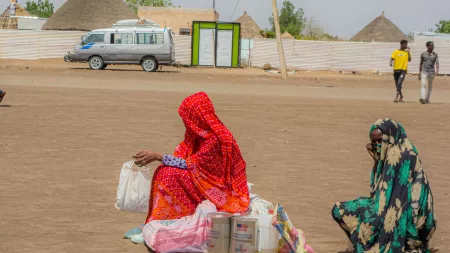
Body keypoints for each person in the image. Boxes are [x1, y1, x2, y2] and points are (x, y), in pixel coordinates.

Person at [133, 92, 250, 223]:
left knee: (168, 174)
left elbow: (192, 165)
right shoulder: (199, 135)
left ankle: (173, 217)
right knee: (165, 170)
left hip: (215, 186)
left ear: (196, 117)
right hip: (202, 178)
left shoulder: (215, 139)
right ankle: (164, 217)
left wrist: (158, 156)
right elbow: (185, 158)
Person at [332, 118, 436, 252]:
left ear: (391, 136)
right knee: (347, 210)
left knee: (344, 211)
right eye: (374, 142)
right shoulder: (400, 150)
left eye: (380, 140)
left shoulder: (399, 155)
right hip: (397, 208)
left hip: (412, 217)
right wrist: (376, 159)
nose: (377, 145)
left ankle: (365, 246)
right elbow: (381, 190)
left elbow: (394, 200)